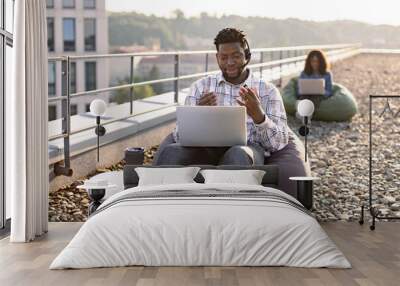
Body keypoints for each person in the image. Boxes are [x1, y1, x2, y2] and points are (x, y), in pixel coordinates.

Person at [155, 28, 289, 166]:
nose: (230, 62)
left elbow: (279, 142)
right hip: (204, 150)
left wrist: (259, 117)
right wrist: (198, 115)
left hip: (247, 149)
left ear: (247, 56)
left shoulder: (268, 91)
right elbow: (178, 137)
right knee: (171, 152)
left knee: (237, 154)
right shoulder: (200, 87)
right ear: (217, 57)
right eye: (224, 57)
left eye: (236, 56)